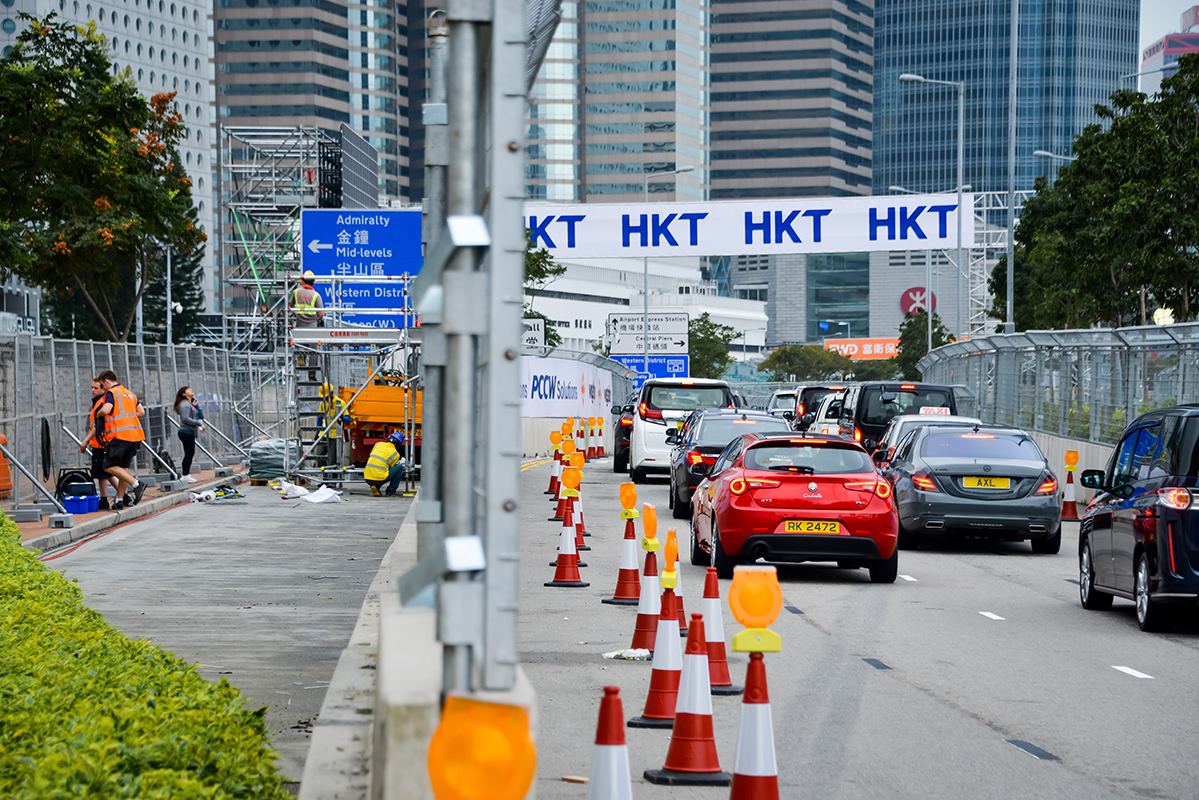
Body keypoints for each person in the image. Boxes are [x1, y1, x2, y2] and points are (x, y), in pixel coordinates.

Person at [95, 369, 148, 509]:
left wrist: (99, 413)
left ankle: (136, 484)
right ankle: (119, 500)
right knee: (123, 468)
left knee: (108, 466)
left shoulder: (111, 393)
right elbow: (141, 412)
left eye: (102, 385)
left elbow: (106, 410)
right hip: (135, 435)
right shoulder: (129, 393)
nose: (102, 388)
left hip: (120, 435)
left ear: (106, 381)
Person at [80, 378, 119, 510]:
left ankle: (118, 496)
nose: (93, 390)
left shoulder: (103, 402)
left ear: (103, 389)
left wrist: (86, 440)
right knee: (104, 472)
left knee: (105, 472)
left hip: (102, 442)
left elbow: (99, 425)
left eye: (96, 388)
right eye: (92, 387)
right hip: (99, 442)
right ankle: (110, 498)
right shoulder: (97, 403)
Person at [174, 386, 204, 484]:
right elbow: (185, 419)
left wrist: (196, 406)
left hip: (190, 432)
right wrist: (198, 423)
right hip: (185, 432)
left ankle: (186, 474)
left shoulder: (189, 404)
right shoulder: (184, 405)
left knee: (190, 453)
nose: (191, 390)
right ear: (184, 394)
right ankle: (185, 475)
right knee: (189, 453)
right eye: (188, 389)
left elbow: (201, 416)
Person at [364, 431, 405, 497]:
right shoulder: (395, 454)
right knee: (399, 467)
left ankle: (375, 487)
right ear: (398, 444)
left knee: (379, 470)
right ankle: (390, 492)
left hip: (367, 478)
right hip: (379, 479)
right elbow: (390, 467)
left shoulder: (377, 444)